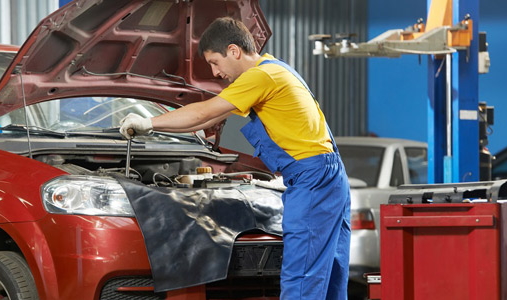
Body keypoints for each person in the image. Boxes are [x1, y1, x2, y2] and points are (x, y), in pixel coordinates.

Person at [119, 17, 351, 300]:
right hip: (328, 176)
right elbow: (211, 117)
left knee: (302, 278)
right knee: (329, 280)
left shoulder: (260, 77)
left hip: (312, 179)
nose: (216, 73)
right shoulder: (276, 69)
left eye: (215, 62)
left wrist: (149, 123)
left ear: (234, 51)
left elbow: (204, 112)